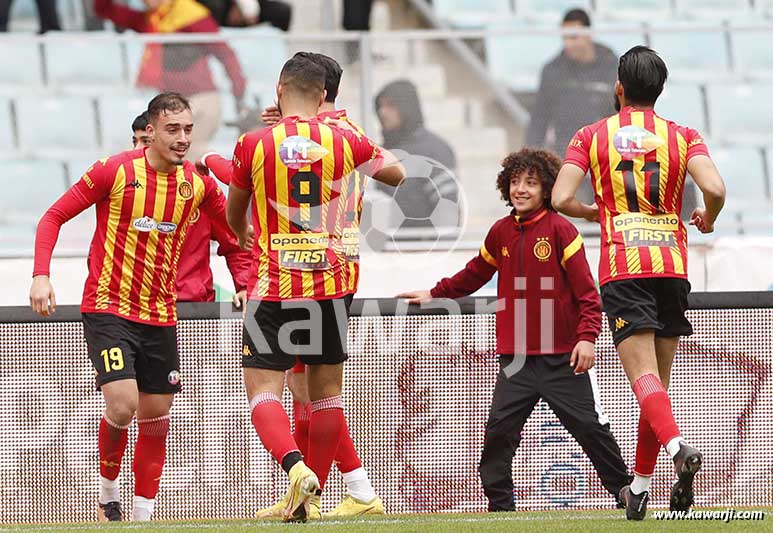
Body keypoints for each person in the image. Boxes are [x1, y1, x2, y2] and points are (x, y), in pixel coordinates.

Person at [29, 92, 231, 522]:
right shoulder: (115, 171)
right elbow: (52, 216)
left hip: (160, 314)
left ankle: (142, 516)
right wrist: (41, 273)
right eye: (173, 130)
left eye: (188, 130)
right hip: (109, 308)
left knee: (156, 416)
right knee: (123, 404)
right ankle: (108, 495)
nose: (182, 139)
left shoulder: (196, 185)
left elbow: (236, 231)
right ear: (151, 132)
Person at [398, 147, 631, 512]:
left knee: (590, 430)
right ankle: (501, 508)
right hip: (517, 361)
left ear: (547, 189)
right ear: (505, 186)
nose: (521, 189)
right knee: (499, 435)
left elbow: (589, 295)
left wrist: (587, 338)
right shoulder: (501, 232)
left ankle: (626, 493)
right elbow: (475, 273)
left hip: (563, 359)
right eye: (516, 181)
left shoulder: (561, 230)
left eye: (532, 183)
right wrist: (435, 292)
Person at [226, 55, 404, 522]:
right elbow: (397, 174)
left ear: (279, 88)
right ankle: (312, 500)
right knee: (325, 395)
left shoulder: (254, 142)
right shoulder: (347, 138)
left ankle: (295, 469)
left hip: (275, 281)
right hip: (333, 278)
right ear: (325, 95)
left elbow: (235, 206)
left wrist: (242, 231)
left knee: (265, 389)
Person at [552, 46, 726, 521]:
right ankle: (640, 489)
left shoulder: (590, 135)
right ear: (661, 91)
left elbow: (560, 195)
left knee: (643, 383)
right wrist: (706, 219)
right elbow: (715, 189)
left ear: (619, 87)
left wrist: (590, 211)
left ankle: (675, 448)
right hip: (671, 265)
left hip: (625, 267)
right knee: (658, 388)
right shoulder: (683, 135)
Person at [94, 0, 247, 161]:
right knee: (139, 155)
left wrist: (239, 92)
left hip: (201, 102)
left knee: (175, 152)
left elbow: (225, 54)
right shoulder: (153, 20)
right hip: (171, 106)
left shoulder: (191, 15)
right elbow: (105, 9)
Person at [130, 111, 251, 306]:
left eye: (145, 141)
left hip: (193, 308)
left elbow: (236, 240)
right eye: (134, 141)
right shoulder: (122, 185)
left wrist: (244, 286)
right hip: (136, 308)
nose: (137, 148)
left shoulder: (199, 186)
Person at [526, 9, 617, 205]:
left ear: (588, 34)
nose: (568, 44)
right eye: (565, 38)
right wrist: (530, 157)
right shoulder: (553, 70)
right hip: (568, 157)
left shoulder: (611, 65)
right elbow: (539, 118)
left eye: (574, 37)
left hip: (607, 158)